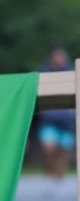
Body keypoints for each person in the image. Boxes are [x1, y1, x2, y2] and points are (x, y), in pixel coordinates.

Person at [37, 46, 76, 178]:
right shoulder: (43, 71)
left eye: (61, 56)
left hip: (66, 120)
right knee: (48, 149)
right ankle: (50, 173)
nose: (58, 59)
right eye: (56, 56)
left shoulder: (71, 71)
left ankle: (58, 178)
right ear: (51, 58)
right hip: (49, 118)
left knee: (64, 152)